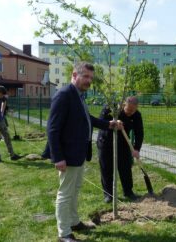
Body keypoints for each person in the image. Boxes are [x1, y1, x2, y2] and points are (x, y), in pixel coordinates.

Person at [48, 61, 119, 242]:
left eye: (91, 78)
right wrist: (58, 157)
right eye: (85, 76)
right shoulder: (64, 95)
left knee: (75, 189)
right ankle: (64, 233)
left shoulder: (79, 95)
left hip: (79, 153)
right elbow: (52, 129)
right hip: (68, 155)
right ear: (74, 75)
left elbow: (87, 118)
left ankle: (73, 221)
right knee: (65, 193)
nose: (89, 81)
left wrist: (109, 124)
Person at [97, 96, 144, 203]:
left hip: (123, 144)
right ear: (123, 105)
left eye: (133, 111)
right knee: (107, 169)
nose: (130, 113)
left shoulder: (136, 115)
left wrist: (136, 149)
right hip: (106, 141)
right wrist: (113, 122)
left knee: (125, 168)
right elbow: (100, 122)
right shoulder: (110, 108)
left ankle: (128, 192)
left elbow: (139, 133)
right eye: (128, 110)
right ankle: (109, 195)